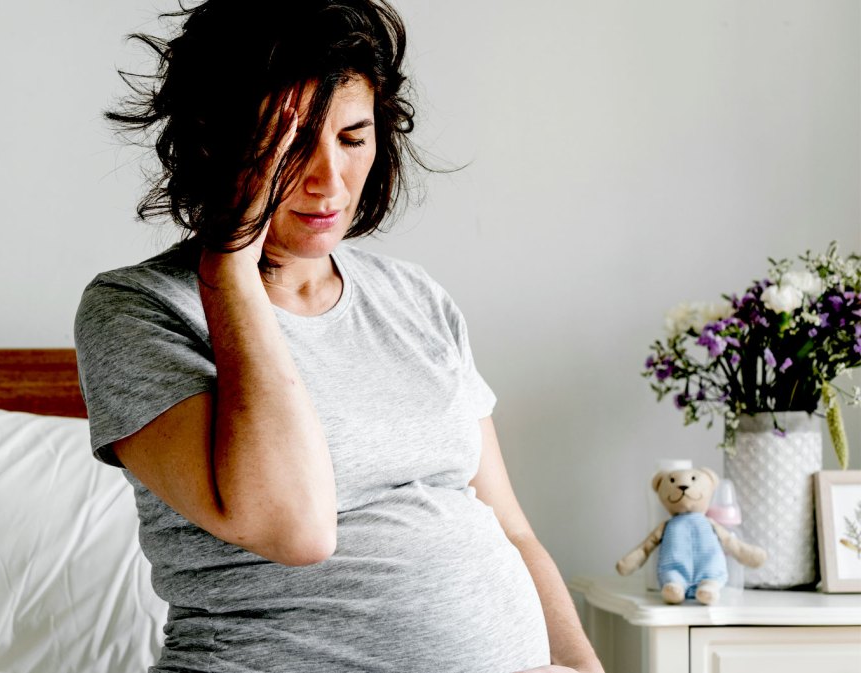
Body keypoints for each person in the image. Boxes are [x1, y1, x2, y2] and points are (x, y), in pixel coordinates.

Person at [75, 1, 604, 672]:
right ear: (220, 141)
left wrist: (584, 668)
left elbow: (513, 529)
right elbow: (296, 528)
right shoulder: (136, 310)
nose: (329, 179)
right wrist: (229, 265)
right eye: (292, 144)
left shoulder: (414, 298)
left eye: (353, 138)